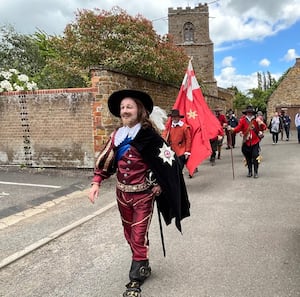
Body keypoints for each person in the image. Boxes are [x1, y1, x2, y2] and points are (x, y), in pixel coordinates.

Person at [88, 89, 190, 297]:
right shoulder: (117, 135)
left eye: (129, 107)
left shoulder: (150, 137)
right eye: (122, 107)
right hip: (121, 194)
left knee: (137, 233)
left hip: (143, 195)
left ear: (139, 110)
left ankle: (136, 277)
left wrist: (161, 182)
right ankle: (142, 259)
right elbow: (106, 160)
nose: (125, 111)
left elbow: (169, 163)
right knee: (129, 233)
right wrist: (97, 182)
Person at [228, 105, 267, 178]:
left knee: (255, 156)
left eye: (251, 112)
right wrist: (232, 129)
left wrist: (261, 123)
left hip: (255, 142)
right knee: (248, 158)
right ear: (246, 113)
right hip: (246, 142)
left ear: (253, 113)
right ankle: (250, 171)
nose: (249, 114)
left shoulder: (256, 120)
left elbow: (264, 128)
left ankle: (255, 172)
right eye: (248, 112)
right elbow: (238, 128)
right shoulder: (242, 120)